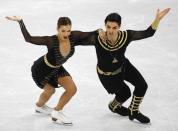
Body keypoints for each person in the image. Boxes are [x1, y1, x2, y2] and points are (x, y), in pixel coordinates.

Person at [74, 8, 170, 124]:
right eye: (108, 27)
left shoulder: (126, 36)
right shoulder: (97, 39)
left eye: (114, 28)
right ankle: (114, 106)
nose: (110, 31)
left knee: (142, 85)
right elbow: (78, 38)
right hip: (108, 75)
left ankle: (134, 110)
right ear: (105, 26)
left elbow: (148, 33)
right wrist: (96, 31)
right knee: (126, 93)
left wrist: (157, 19)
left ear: (119, 27)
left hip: (123, 65)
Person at [5, 16, 99, 125]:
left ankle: (57, 112)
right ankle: (39, 107)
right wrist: (20, 21)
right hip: (41, 70)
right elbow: (28, 38)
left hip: (57, 68)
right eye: (63, 30)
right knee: (50, 91)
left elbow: (90, 34)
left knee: (72, 89)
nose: (66, 34)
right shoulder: (50, 41)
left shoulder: (73, 36)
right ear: (57, 29)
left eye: (68, 30)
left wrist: (99, 31)